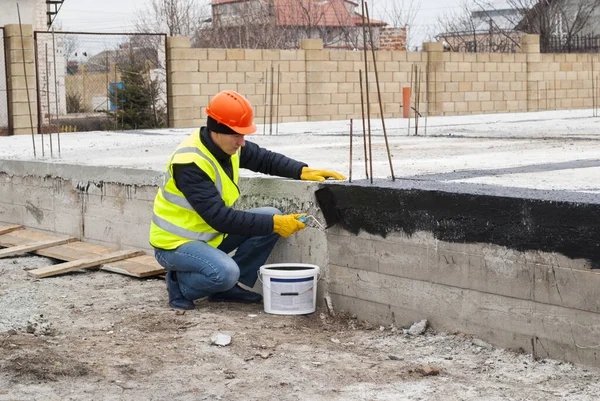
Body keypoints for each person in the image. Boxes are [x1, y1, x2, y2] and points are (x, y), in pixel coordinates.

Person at [150, 90, 346, 310]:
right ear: (217, 131)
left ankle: (227, 289)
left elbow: (264, 159)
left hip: (208, 236)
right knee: (226, 272)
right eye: (237, 135)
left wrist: (302, 170)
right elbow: (220, 218)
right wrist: (276, 224)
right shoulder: (190, 163)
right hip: (175, 245)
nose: (242, 142)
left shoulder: (227, 146)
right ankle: (180, 284)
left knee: (270, 215)